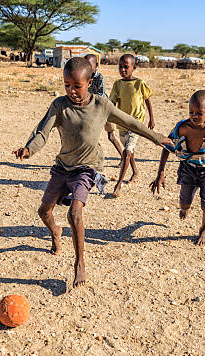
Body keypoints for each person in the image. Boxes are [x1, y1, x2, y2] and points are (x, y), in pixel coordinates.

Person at [13, 57, 171, 289]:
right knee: (44, 211)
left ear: (90, 82)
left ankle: (79, 263)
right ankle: (55, 231)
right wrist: (29, 149)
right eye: (67, 84)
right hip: (63, 167)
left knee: (75, 214)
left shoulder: (101, 105)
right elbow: (42, 131)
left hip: (87, 168)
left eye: (77, 86)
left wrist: (158, 138)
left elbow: (131, 122)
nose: (71, 90)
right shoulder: (60, 105)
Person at [150, 90, 205, 247]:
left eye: (200, 113)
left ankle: (204, 230)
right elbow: (166, 146)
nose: (194, 116)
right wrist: (161, 173)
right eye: (191, 112)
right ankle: (186, 208)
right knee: (184, 203)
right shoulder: (182, 128)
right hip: (188, 169)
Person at [108, 54, 155, 197]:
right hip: (123, 123)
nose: (122, 69)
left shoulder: (139, 84)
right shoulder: (118, 85)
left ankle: (118, 184)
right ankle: (135, 172)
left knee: (127, 151)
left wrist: (151, 118)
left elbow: (147, 100)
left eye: (126, 67)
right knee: (130, 149)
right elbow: (112, 103)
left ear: (134, 67)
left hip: (137, 123)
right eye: (120, 67)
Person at [84, 54, 124, 157]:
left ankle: (123, 157)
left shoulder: (99, 77)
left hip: (104, 109)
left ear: (96, 65)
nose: (87, 68)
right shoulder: (84, 77)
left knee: (111, 136)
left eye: (90, 65)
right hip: (91, 110)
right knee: (90, 135)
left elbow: (100, 95)